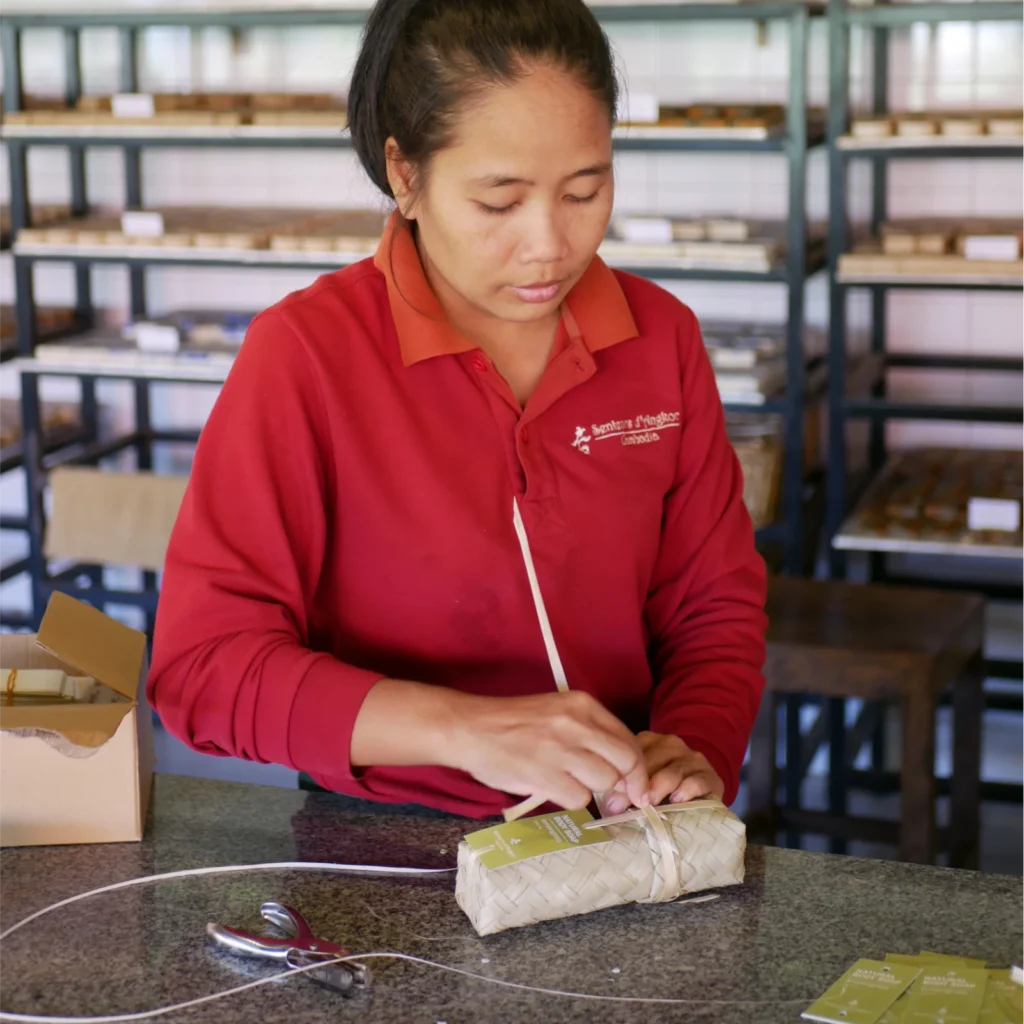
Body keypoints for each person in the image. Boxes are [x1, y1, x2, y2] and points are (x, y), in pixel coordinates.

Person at [147, 0, 767, 821]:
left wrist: (695, 745)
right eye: (499, 203)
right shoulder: (307, 355)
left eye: (585, 190)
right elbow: (204, 671)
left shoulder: (660, 339)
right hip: (385, 846)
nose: (549, 244)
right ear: (406, 176)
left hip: (626, 831)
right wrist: (467, 731)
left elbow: (712, 610)